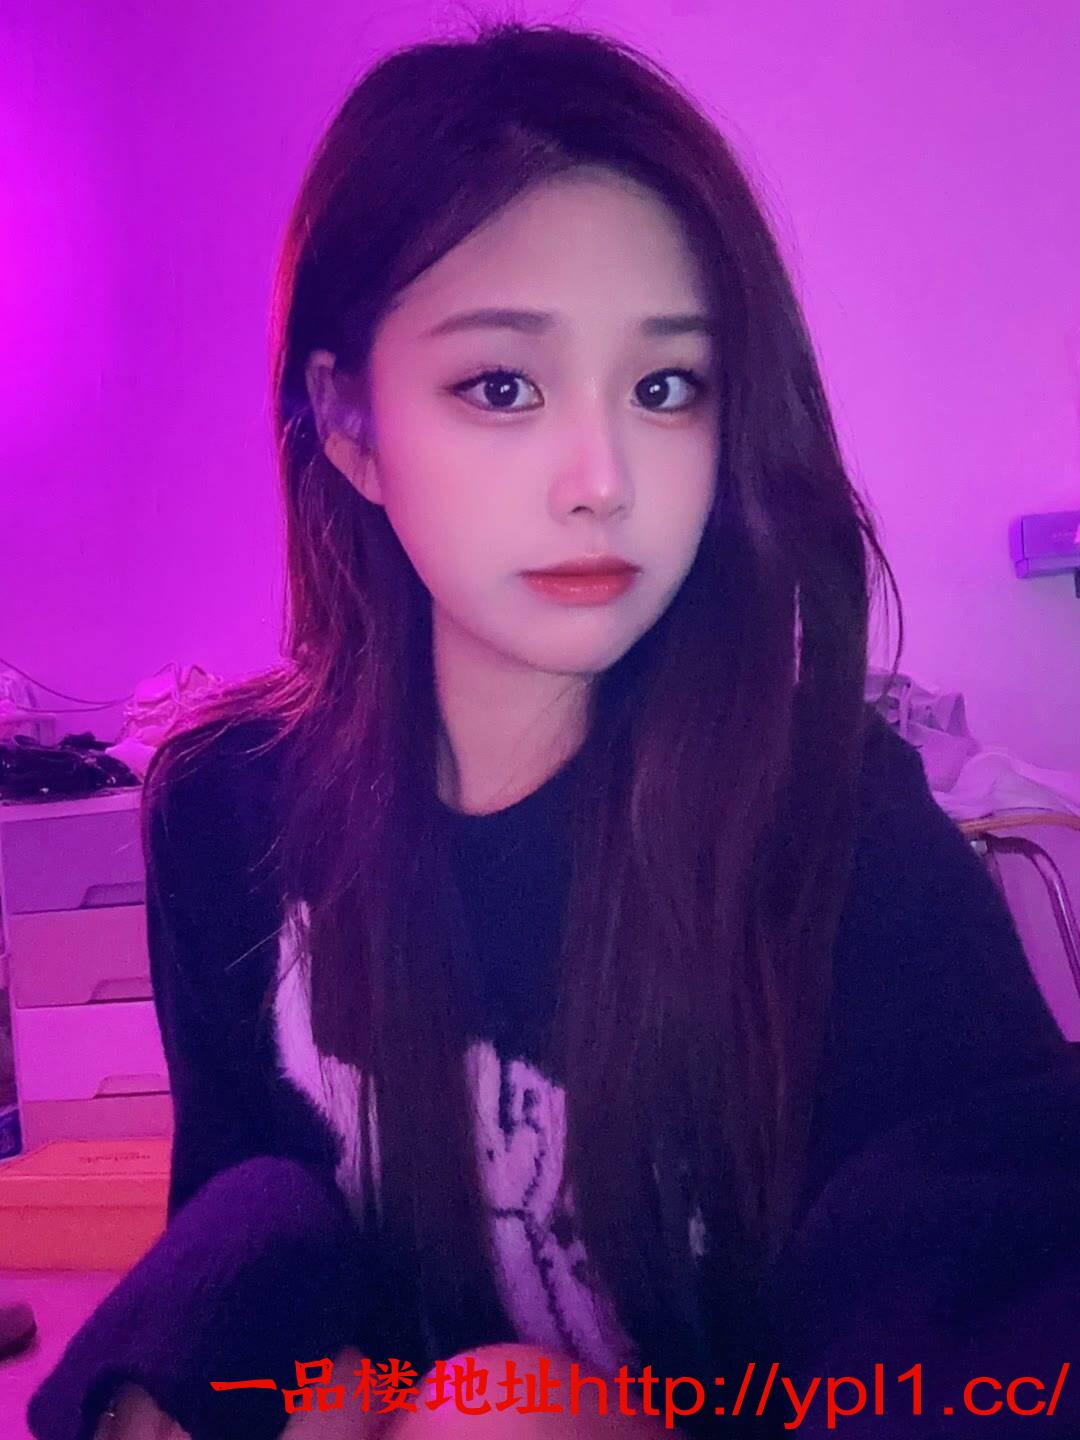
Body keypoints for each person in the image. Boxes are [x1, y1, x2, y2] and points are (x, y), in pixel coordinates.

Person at [27, 18, 1080, 1440]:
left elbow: (972, 1287)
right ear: (350, 425)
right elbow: (248, 1202)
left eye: (666, 387)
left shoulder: (831, 820)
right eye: (503, 387)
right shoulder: (227, 809)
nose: (604, 479)